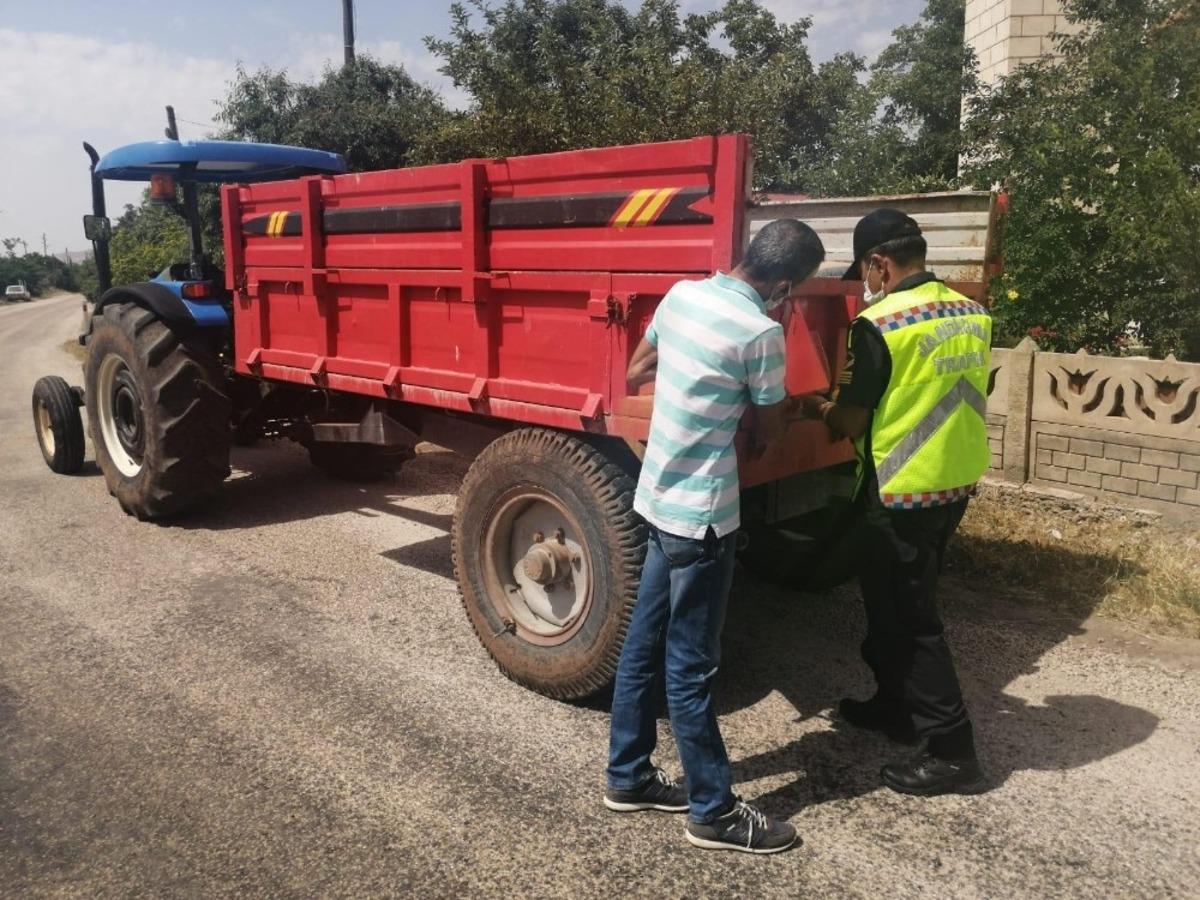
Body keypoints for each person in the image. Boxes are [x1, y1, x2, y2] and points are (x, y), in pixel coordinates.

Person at [604, 219, 825, 854]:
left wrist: (691, 376)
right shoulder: (760, 332)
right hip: (703, 516)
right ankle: (713, 811)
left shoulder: (681, 295)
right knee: (691, 666)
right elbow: (771, 427)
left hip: (657, 498)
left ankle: (629, 777)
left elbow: (638, 368)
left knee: (642, 645)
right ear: (783, 287)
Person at [796, 208, 992, 796]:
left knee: (910, 620)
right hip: (953, 481)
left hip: (902, 489)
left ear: (879, 262)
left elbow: (852, 420)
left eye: (865, 271)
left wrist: (814, 406)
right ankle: (895, 706)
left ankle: (954, 753)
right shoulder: (971, 312)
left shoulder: (880, 324)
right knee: (888, 603)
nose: (866, 282)